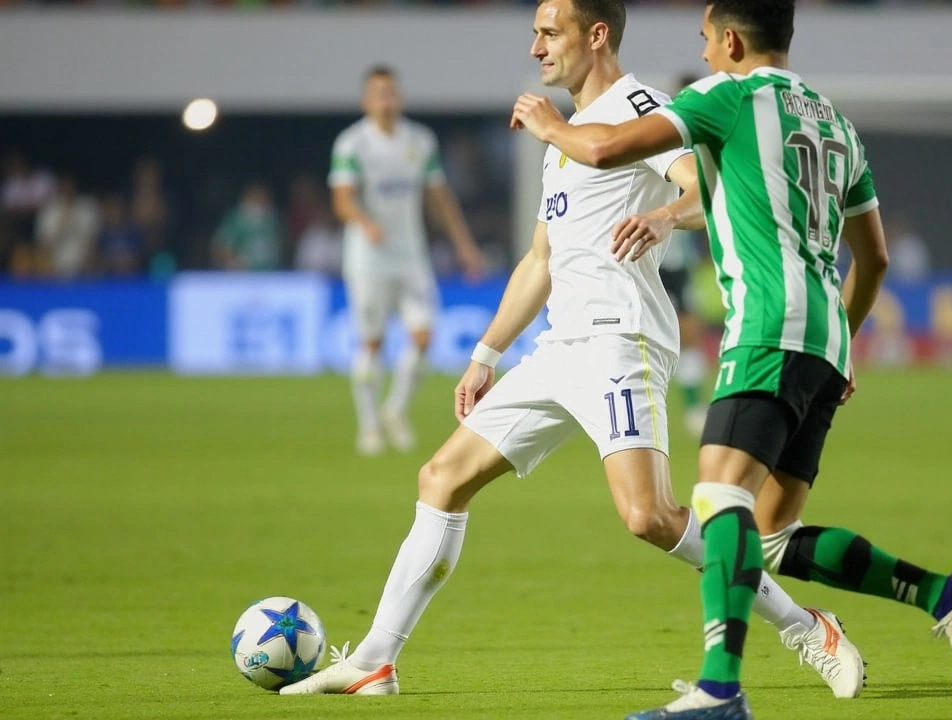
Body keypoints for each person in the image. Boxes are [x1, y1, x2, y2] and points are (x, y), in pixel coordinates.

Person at [281, 0, 865, 701]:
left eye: (548, 32)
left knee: (648, 516)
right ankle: (377, 658)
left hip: (623, 339)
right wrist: (485, 355)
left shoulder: (643, 105)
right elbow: (539, 258)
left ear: (596, 35)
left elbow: (705, 190)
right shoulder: (565, 138)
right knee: (441, 478)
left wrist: (661, 217)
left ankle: (808, 627)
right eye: (534, 33)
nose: (535, 48)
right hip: (561, 347)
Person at [510, 2, 952, 717]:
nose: (704, 56)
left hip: (768, 326)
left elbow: (608, 148)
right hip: (826, 337)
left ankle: (719, 688)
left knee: (717, 499)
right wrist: (842, 342)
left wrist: (550, 125)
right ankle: (944, 595)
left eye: (706, 42)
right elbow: (877, 257)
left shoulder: (726, 96)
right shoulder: (836, 121)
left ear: (731, 40)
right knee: (767, 537)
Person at [330, 65, 487, 456]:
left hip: (411, 255)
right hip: (368, 258)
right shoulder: (352, 145)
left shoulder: (419, 140)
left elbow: (439, 198)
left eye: (392, 91)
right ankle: (367, 427)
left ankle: (394, 411)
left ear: (399, 97)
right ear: (366, 100)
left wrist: (464, 244)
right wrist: (365, 223)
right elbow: (342, 199)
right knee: (372, 341)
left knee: (423, 337)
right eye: (378, 92)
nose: (387, 98)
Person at [660, 74, 714, 437]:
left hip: (676, 257)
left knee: (689, 331)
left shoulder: (701, 142)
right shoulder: (663, 135)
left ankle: (695, 407)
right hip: (653, 251)